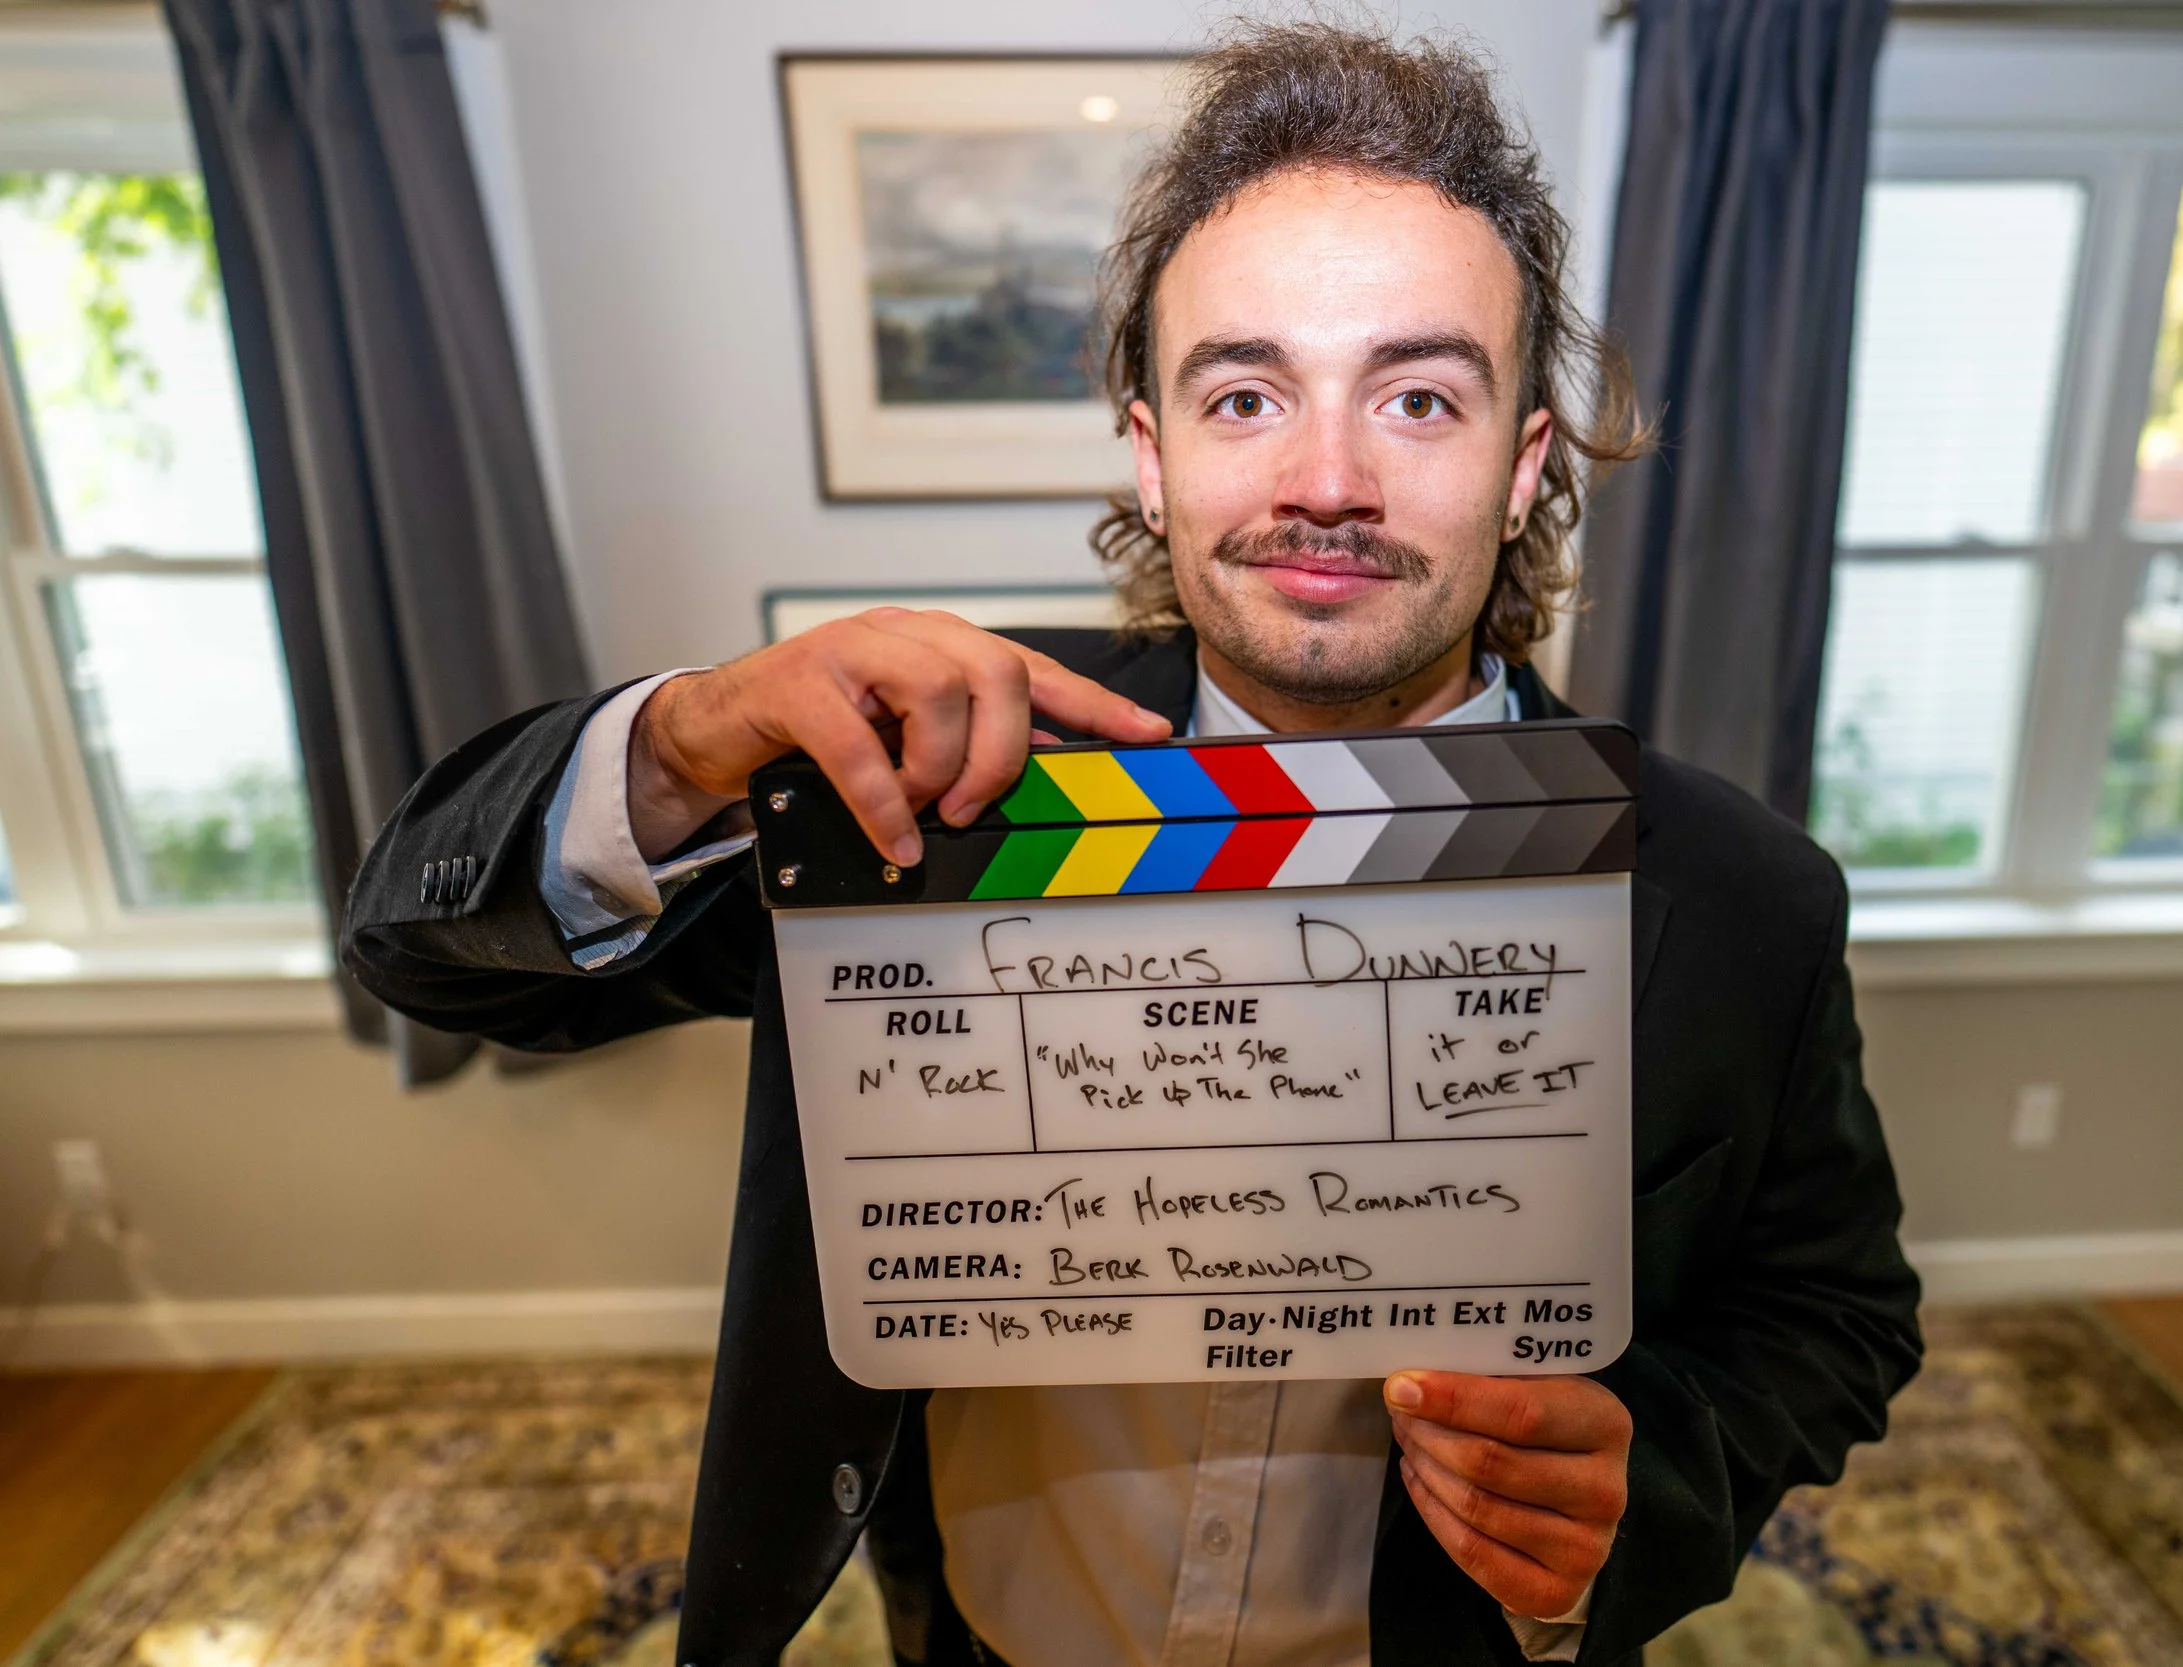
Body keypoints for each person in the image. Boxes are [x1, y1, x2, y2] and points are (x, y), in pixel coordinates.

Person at [342, 22, 1921, 1667]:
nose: (1327, 479)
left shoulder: (1747, 904)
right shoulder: (936, 789)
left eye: (1420, 396)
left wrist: (1640, 1478)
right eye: (1246, 393)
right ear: (1151, 455)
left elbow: (1835, 1313)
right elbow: (425, 951)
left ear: (1525, 465)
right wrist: (681, 745)